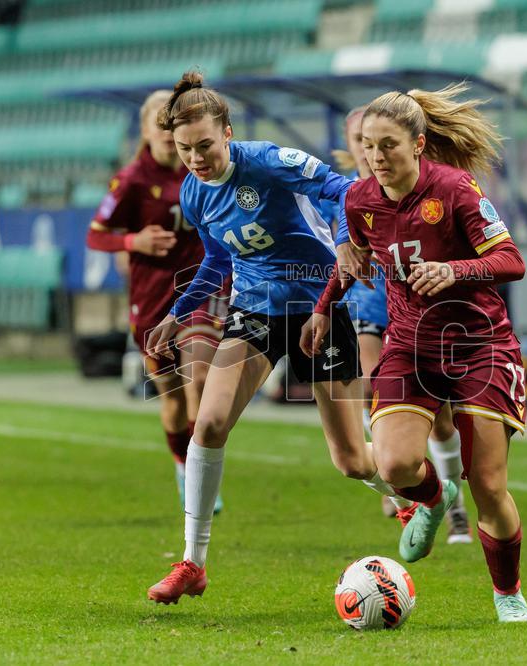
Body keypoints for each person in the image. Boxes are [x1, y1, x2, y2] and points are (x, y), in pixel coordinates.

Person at [142, 71, 410, 605]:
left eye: (205, 146)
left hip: (317, 302)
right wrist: (180, 312)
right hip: (256, 308)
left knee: (353, 462)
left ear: (228, 133)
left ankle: (415, 494)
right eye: (184, 148)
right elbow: (218, 257)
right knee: (211, 421)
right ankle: (193, 562)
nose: (195, 158)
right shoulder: (194, 194)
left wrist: (343, 247)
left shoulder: (265, 160)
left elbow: (341, 190)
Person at [303, 84, 527, 622]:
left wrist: (455, 270)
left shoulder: (455, 190)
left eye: (388, 145)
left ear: (419, 145)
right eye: (367, 145)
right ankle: (431, 499)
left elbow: (511, 259)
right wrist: (322, 307)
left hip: (479, 344)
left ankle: (507, 593)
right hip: (409, 344)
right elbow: (354, 259)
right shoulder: (359, 199)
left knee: (491, 486)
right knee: (395, 463)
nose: (376, 157)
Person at [335, 106, 472, 542]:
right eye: (360, 140)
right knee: (373, 382)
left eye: (377, 140)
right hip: (364, 303)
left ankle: (453, 504)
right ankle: (400, 482)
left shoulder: (426, 186)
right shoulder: (346, 193)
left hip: (416, 307)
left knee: (444, 421)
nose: (369, 148)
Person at [86, 90, 227, 512]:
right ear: (146, 131)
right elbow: (96, 233)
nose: (168, 135)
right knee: (171, 397)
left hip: (201, 289)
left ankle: (204, 474)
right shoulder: (131, 181)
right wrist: (134, 240)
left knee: (199, 377)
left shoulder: (203, 170)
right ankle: (184, 465)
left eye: (173, 126)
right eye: (160, 126)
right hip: (151, 299)